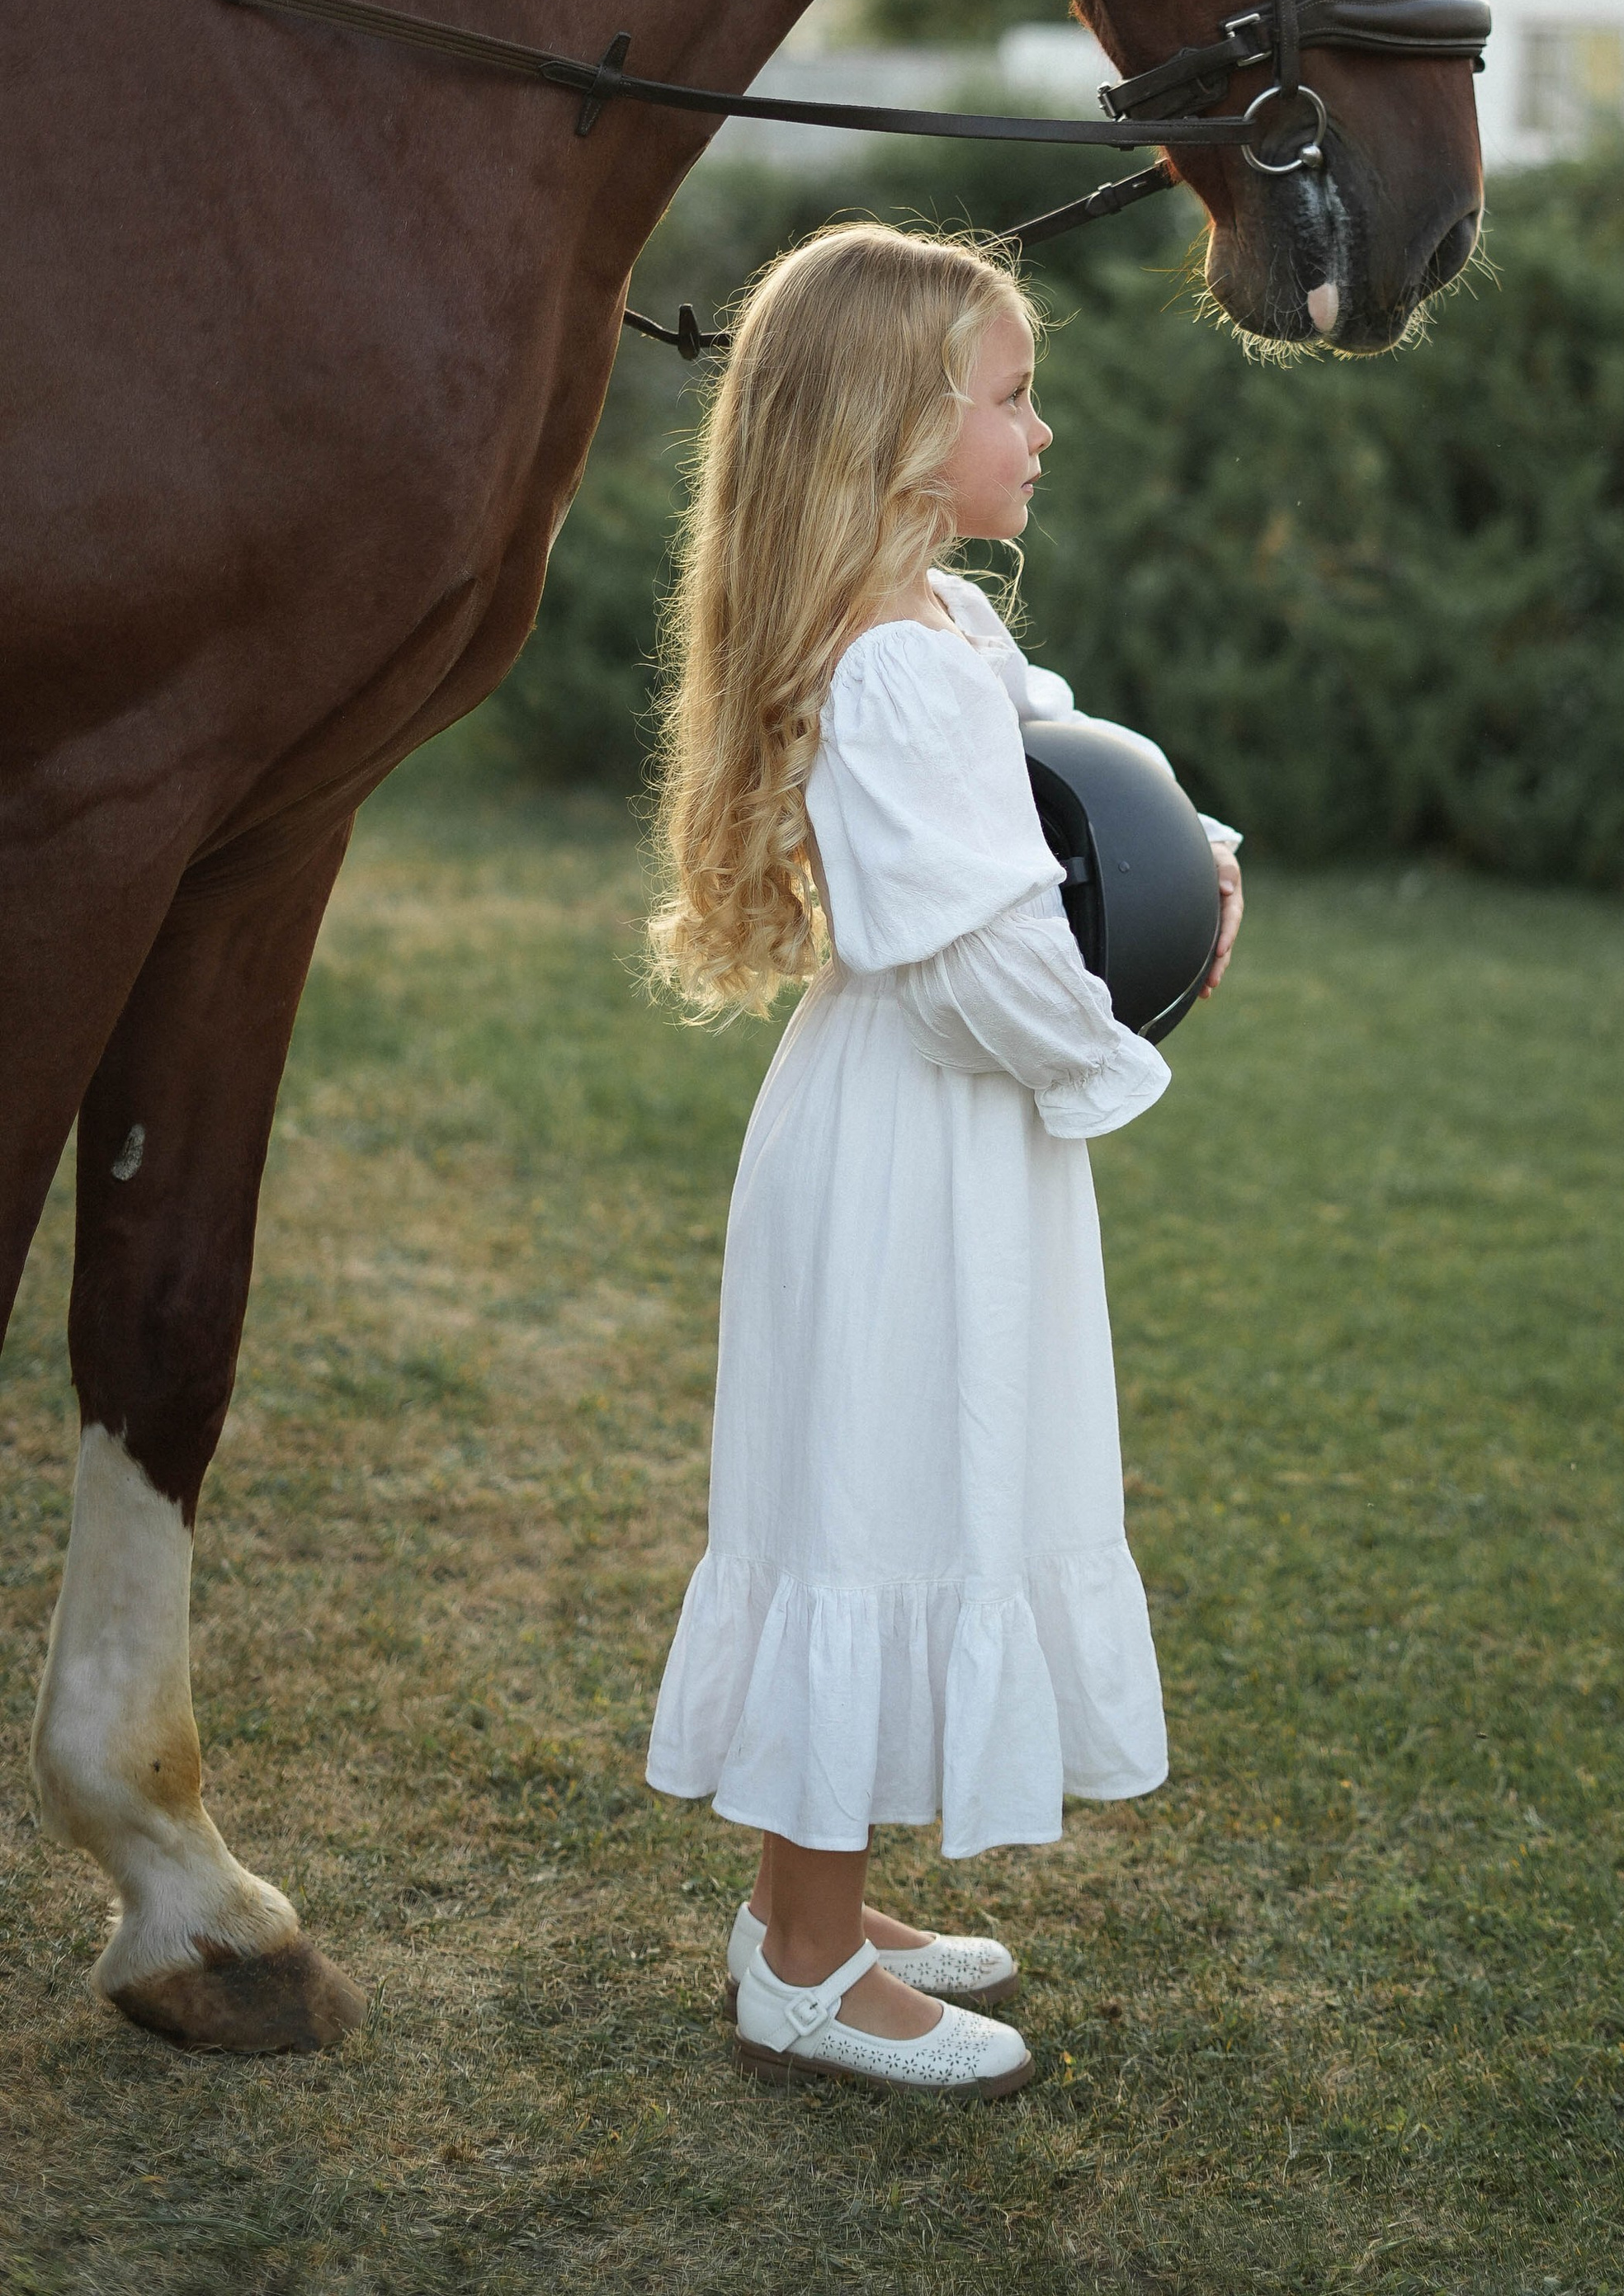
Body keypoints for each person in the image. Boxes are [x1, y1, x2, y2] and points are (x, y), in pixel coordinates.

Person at [644, 222, 1242, 2104]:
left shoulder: (937, 623)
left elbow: (1067, 780)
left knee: (894, 1490)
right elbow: (982, 952)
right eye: (1008, 396)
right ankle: (803, 1971)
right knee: (867, 1503)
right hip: (914, 1135)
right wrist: (1110, 1052)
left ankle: (809, 1904)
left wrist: (1193, 862)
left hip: (935, 1126)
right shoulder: (890, 662)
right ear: (902, 433)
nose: (1039, 431)